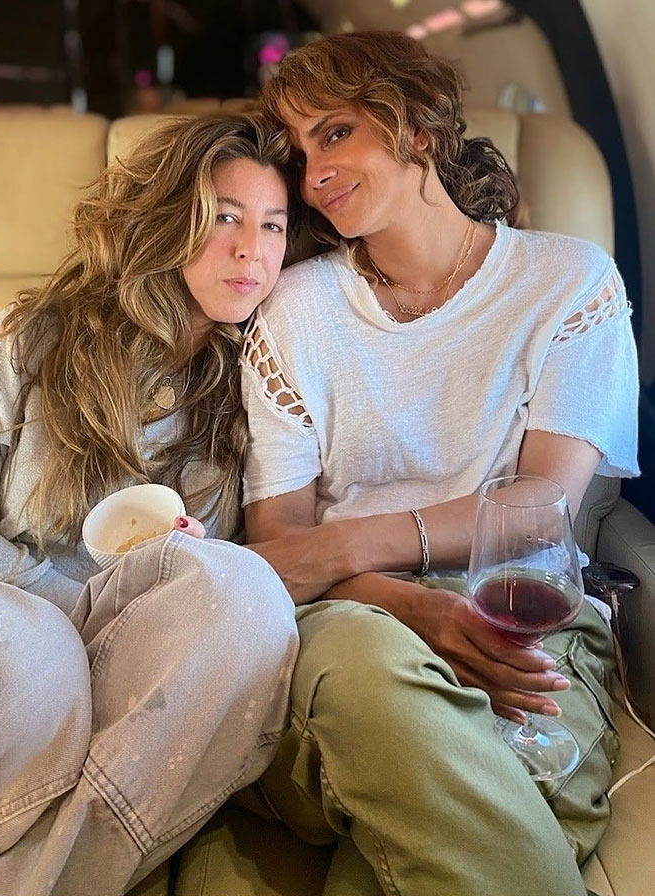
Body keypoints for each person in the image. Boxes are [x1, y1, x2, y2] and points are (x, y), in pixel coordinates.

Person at [238, 31, 640, 896]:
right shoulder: (295, 312)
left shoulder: (570, 285)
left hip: (520, 612)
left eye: (336, 133)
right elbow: (279, 542)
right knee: (393, 707)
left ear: (417, 127)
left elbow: (539, 508)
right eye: (299, 153)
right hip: (353, 623)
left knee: (504, 786)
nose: (314, 176)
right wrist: (406, 602)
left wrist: (346, 545)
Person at [0, 113, 302, 896]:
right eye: (225, 217)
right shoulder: (33, 338)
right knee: (35, 659)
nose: (254, 249)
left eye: (274, 226)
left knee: (248, 598)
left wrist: (183, 562)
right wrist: (64, 608)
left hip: (138, 663)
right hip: (6, 641)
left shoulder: (262, 383)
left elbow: (218, 597)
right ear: (167, 220)